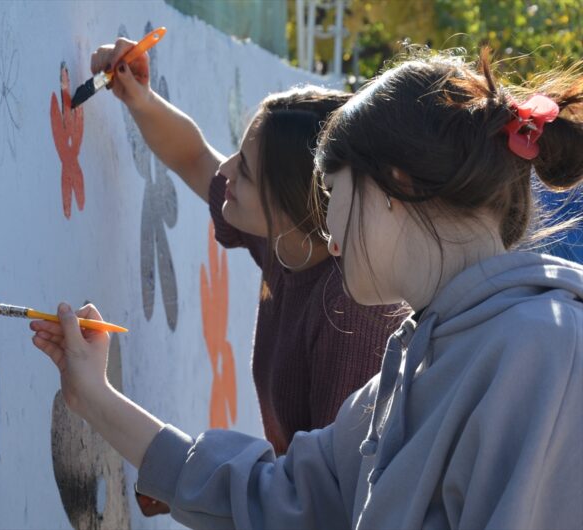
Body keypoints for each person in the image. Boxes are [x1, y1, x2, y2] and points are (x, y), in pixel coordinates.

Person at [31, 48, 583, 529]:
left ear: (397, 185)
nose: (329, 229)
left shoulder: (544, 353)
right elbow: (282, 498)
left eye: (332, 192)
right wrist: (94, 396)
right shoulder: (415, 363)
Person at [89, 39, 402, 458]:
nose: (226, 169)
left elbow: (328, 494)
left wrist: (207, 486)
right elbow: (195, 158)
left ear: (294, 204)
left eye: (247, 171)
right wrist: (139, 97)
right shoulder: (290, 242)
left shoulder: (351, 313)